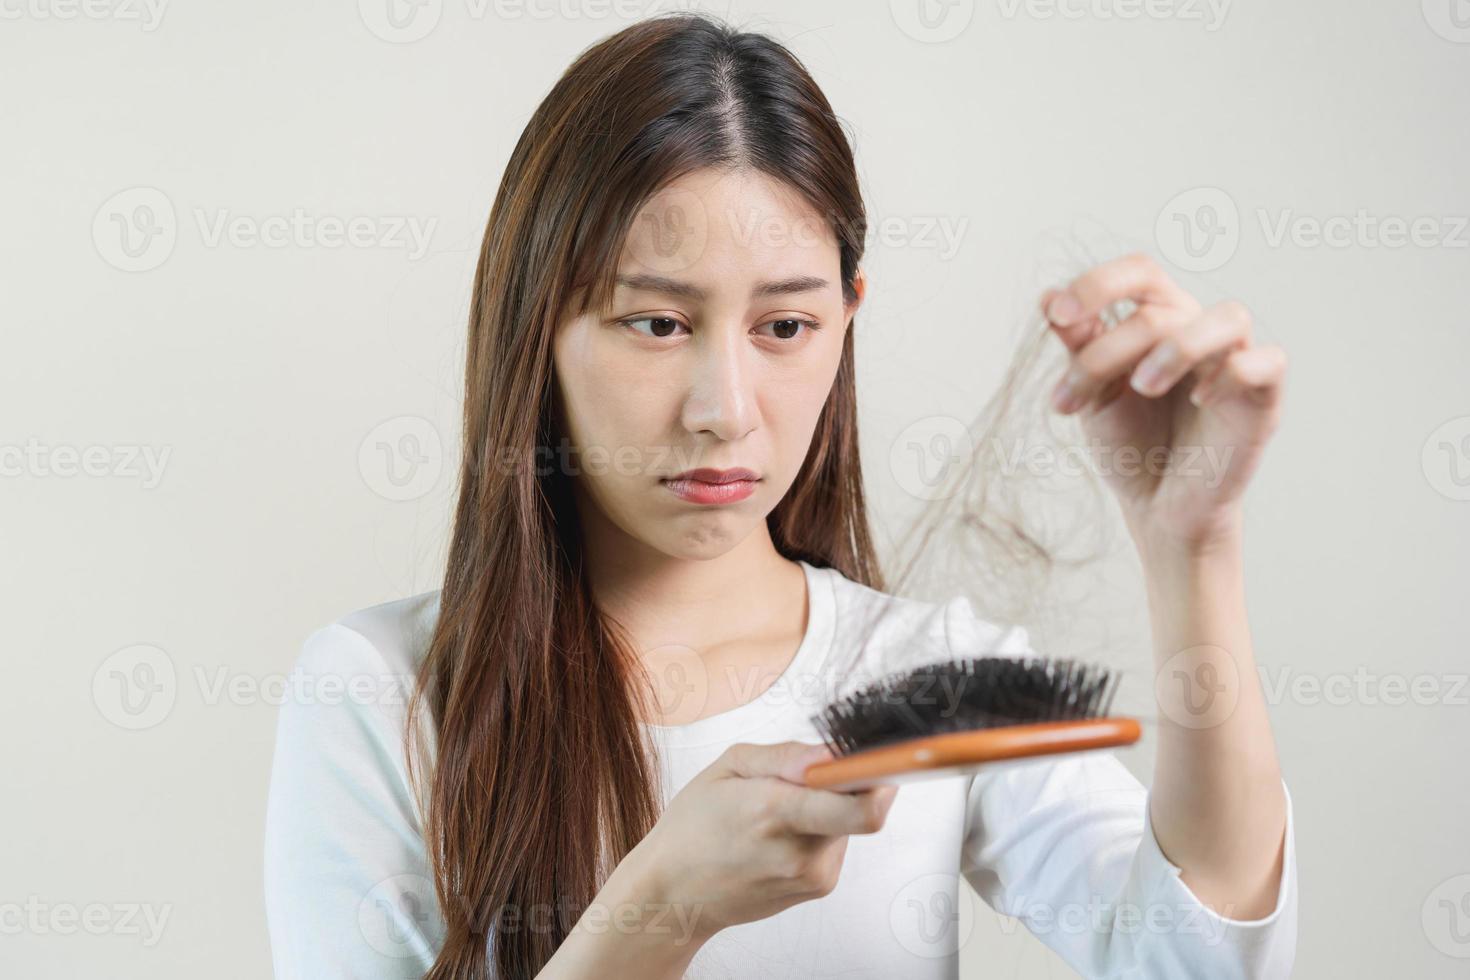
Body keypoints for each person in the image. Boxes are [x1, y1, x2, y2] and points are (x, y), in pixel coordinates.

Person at [264, 12, 1296, 979]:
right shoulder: (381, 692)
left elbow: (1200, 955)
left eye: (784, 327)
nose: (725, 409)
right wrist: (661, 906)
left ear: (848, 315)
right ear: (539, 325)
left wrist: (1193, 543)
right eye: (657, 323)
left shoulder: (931, 681)